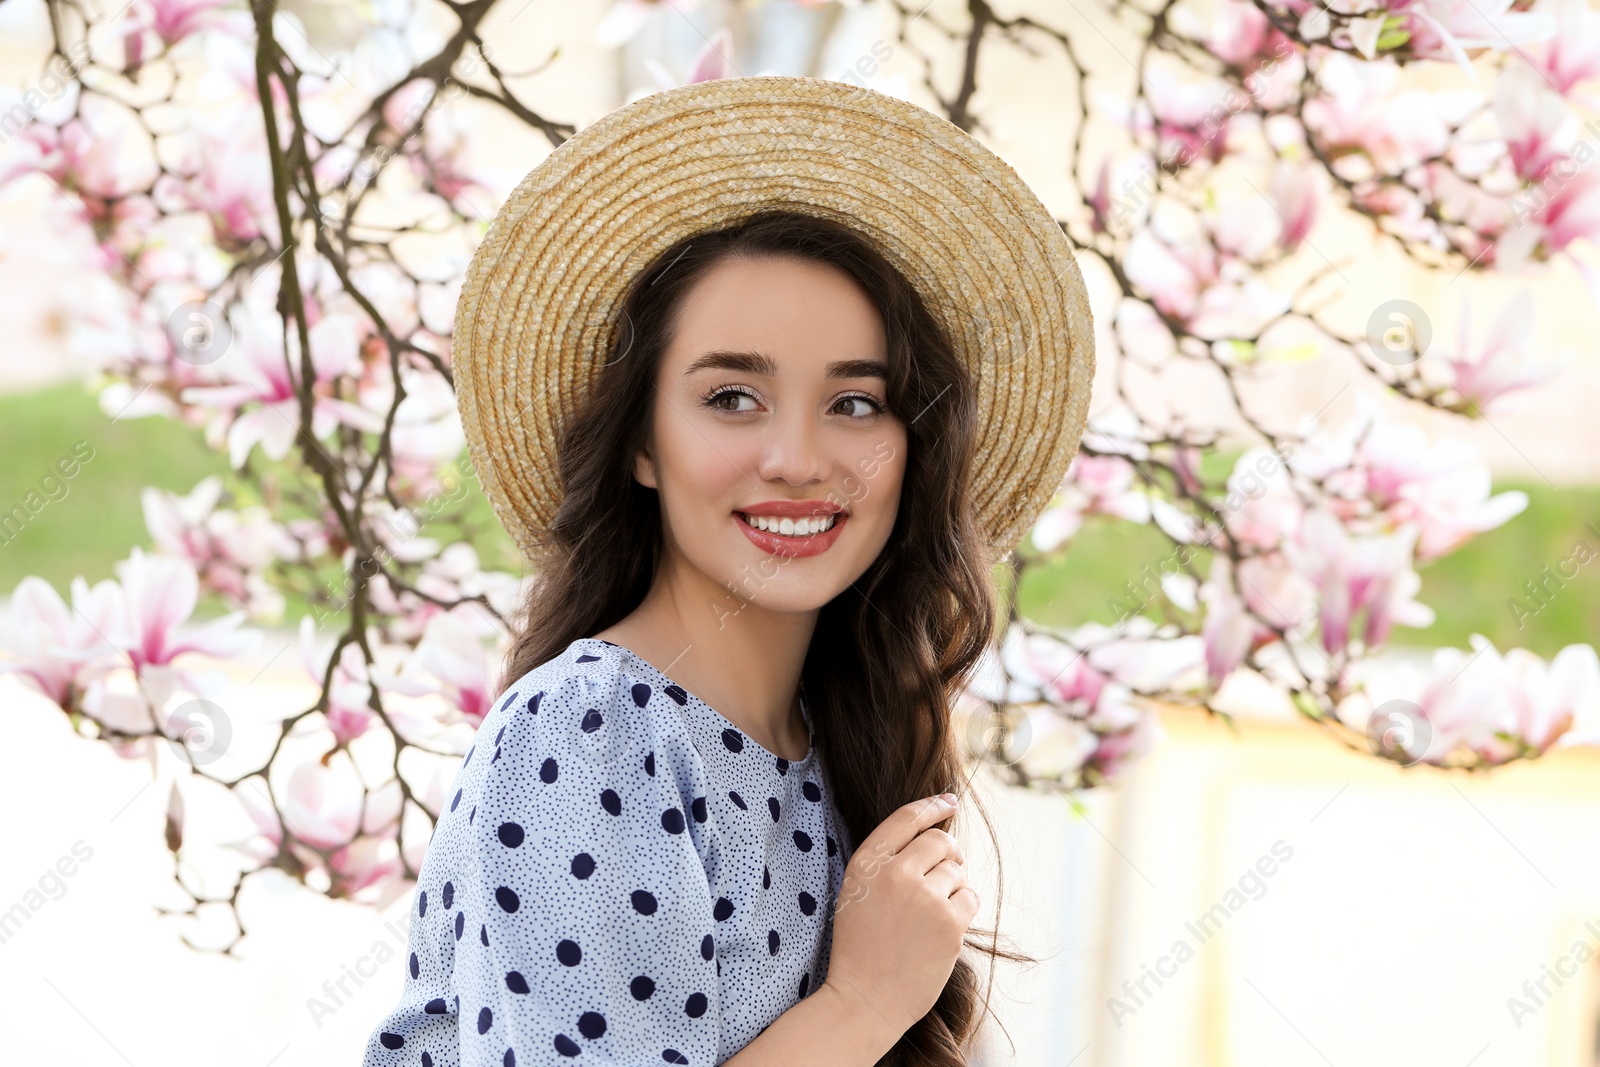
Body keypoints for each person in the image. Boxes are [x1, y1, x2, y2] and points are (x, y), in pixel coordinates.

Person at [362, 75, 1094, 1067]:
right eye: (734, 396)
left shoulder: (837, 747)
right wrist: (862, 1001)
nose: (796, 456)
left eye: (854, 404)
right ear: (643, 445)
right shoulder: (593, 726)